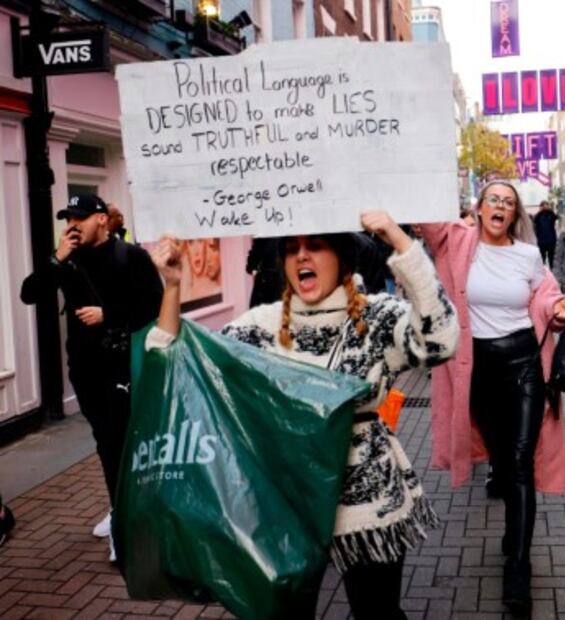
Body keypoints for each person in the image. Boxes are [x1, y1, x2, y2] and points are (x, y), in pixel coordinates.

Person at [149, 210, 458, 618]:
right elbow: (178, 367)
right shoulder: (260, 325)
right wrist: (171, 287)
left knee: (378, 613)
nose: (302, 257)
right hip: (286, 504)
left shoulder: (377, 317)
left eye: (315, 245)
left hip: (367, 501)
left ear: (343, 257)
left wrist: (400, 241)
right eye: (292, 248)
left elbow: (438, 343)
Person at [422, 182, 565, 613]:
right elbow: (423, 217)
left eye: (509, 203)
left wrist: (561, 306)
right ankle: (514, 524)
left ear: (514, 215)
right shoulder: (456, 242)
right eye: (494, 199)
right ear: (479, 207)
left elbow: (546, 295)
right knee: (503, 460)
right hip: (478, 371)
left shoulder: (527, 255)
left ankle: (519, 568)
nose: (501, 206)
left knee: (523, 457)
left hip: (525, 364)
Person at [20, 194, 164, 557]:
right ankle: (122, 507)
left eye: (80, 217)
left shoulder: (130, 256)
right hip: (84, 368)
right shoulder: (69, 260)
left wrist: (108, 314)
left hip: (121, 362)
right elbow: (29, 293)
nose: (73, 223)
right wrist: (57, 257)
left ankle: (124, 521)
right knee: (104, 438)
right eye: (69, 217)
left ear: (101, 219)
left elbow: (155, 305)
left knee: (118, 438)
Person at [245, 237, 285, 307]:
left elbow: (252, 264)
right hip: (281, 280)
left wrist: (251, 267)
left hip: (267, 281)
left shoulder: (263, 235)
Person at [533, 200, 558, 266]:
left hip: (551, 241)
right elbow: (534, 220)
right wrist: (540, 211)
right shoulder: (538, 216)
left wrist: (550, 210)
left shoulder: (551, 215)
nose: (544, 207)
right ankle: (543, 274)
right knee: (541, 260)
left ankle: (552, 273)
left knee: (552, 259)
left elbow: (556, 217)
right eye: (542, 206)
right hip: (541, 242)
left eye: (546, 205)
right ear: (540, 207)